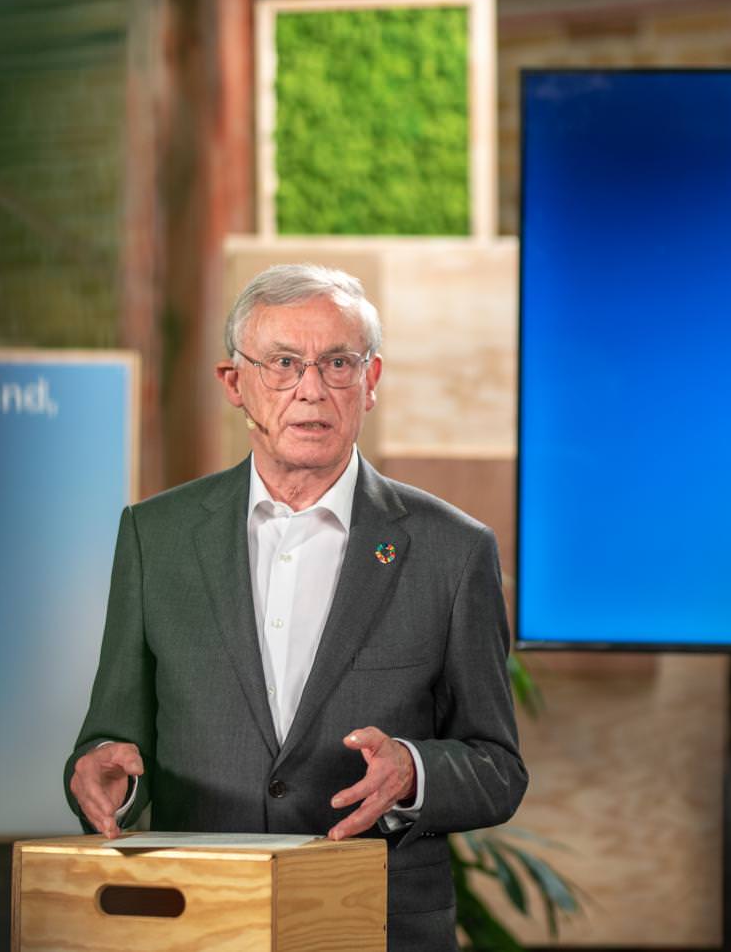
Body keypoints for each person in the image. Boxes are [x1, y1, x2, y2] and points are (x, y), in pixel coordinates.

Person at [64, 263, 526, 949]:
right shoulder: (152, 537)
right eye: (284, 363)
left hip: (376, 921)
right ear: (235, 383)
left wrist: (413, 770)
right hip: (198, 920)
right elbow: (111, 737)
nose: (312, 388)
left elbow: (498, 768)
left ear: (369, 382)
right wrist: (104, 774)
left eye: (338, 362)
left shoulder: (452, 550)